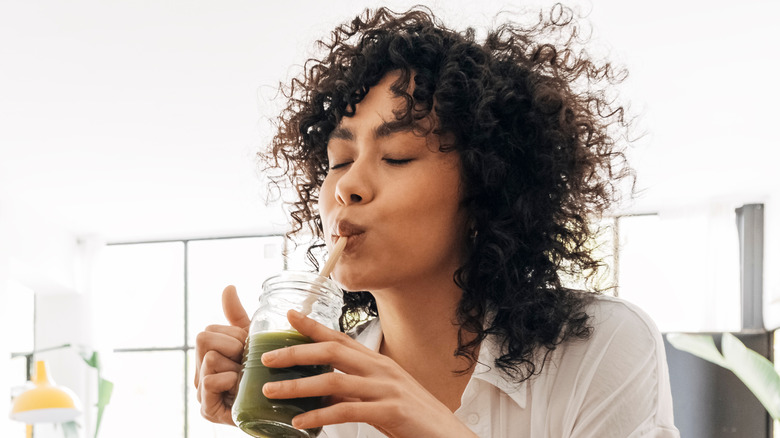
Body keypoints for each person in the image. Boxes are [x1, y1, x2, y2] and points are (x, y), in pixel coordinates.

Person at [194, 5, 679, 437]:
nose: (347, 186)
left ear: (484, 189)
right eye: (339, 160)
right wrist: (274, 423)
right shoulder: (327, 393)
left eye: (398, 156)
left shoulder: (601, 345)